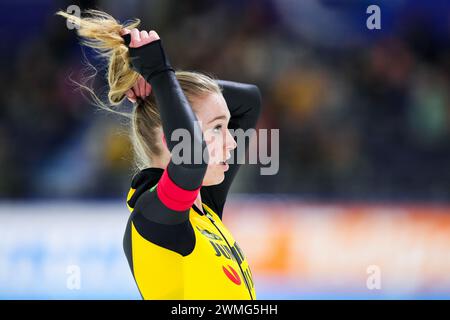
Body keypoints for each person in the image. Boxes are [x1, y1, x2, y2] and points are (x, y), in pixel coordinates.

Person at [57, 9, 261, 299]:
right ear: (173, 139)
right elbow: (192, 160)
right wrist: (160, 74)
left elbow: (249, 101)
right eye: (217, 129)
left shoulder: (205, 208)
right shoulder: (156, 218)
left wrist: (165, 85)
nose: (232, 142)